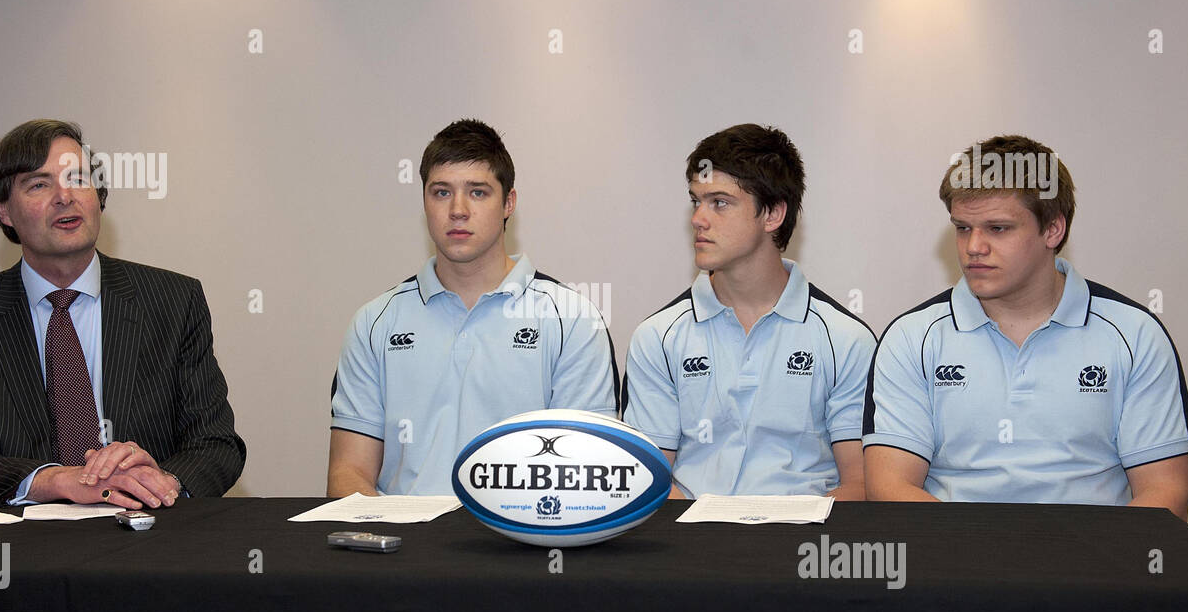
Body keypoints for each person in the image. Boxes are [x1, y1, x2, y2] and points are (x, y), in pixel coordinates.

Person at [0, 119, 246, 514]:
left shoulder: (173, 301)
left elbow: (216, 444)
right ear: (4, 210)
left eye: (78, 178)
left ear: (98, 196)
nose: (65, 196)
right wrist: (59, 479)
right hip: (27, 557)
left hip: (153, 541)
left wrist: (163, 482)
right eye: (39, 184)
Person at [863, 134, 1188, 518]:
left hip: (1093, 567)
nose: (974, 247)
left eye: (997, 228)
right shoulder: (911, 338)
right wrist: (991, 558)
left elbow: (1165, 494)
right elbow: (890, 488)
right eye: (963, 228)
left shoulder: (1136, 335)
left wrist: (1076, 566)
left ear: (1053, 230)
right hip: (956, 566)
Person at [327, 119, 617, 496]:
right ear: (424, 202)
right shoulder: (374, 323)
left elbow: (584, 477)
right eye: (441, 192)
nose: (458, 210)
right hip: (404, 549)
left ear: (508, 203)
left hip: (521, 547)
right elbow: (348, 472)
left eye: (478, 192)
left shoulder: (572, 320)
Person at [622, 124, 876, 499]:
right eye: (696, 201)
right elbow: (650, 478)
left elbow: (859, 486)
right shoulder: (657, 338)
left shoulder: (846, 339)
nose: (698, 219)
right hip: (691, 545)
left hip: (802, 549)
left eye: (720, 203)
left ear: (772, 214)